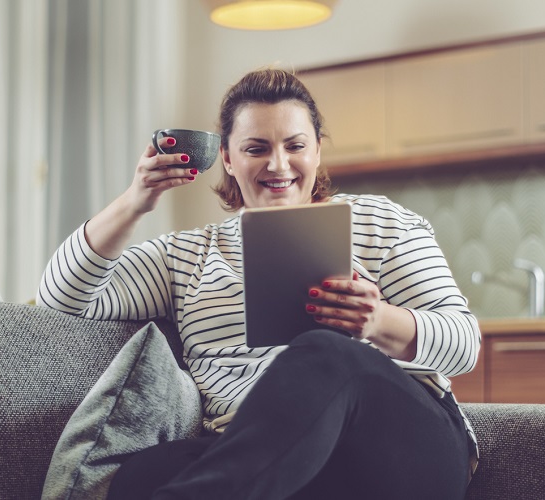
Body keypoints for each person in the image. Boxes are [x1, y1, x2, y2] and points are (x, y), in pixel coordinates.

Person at [36, 68, 481, 500]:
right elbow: (59, 299)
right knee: (143, 475)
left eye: (295, 146)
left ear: (318, 152)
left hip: (397, 449)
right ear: (227, 159)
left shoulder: (381, 221)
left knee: (326, 351)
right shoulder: (185, 256)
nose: (278, 164)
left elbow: (463, 345)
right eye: (256, 148)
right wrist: (134, 201)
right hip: (265, 465)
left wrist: (380, 321)